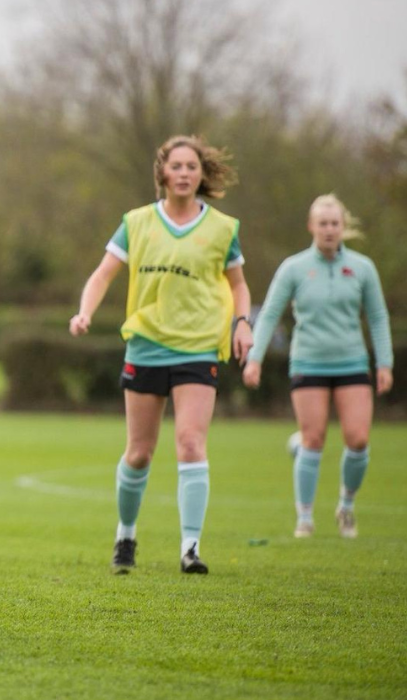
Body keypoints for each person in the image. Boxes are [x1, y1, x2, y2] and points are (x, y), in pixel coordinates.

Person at [69, 135, 253, 575]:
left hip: (199, 345)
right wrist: (84, 312)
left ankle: (190, 547)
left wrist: (242, 322)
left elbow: (239, 285)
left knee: (191, 442)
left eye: (193, 166)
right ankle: (126, 535)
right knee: (139, 453)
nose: (185, 173)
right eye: (178, 166)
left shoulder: (222, 228)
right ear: (163, 173)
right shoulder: (136, 222)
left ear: (201, 174)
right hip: (147, 345)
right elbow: (103, 274)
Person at [242, 194, 393, 539]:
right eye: (322, 223)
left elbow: (378, 316)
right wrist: (255, 358)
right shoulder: (294, 268)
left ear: (343, 227)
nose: (328, 230)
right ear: (311, 226)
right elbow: (268, 315)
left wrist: (384, 362)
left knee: (358, 439)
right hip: (308, 361)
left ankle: (346, 506)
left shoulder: (363, 268)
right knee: (314, 438)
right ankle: (305, 518)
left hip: (352, 361)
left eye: (334, 223)